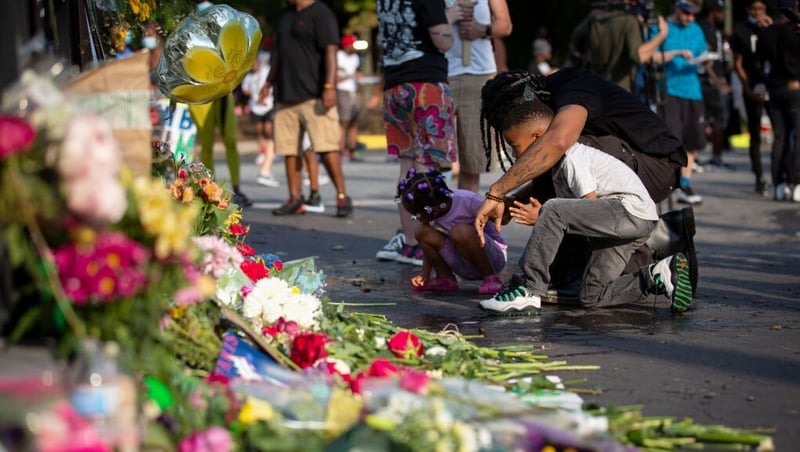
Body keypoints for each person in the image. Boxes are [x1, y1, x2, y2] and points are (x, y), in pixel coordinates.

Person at [475, 72, 692, 314]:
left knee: (555, 157)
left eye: (515, 145)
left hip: (654, 170)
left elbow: (559, 143)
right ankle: (659, 274)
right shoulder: (547, 113)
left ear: (531, 99)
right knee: (591, 295)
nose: (514, 154)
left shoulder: (575, 88)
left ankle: (529, 288)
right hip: (624, 210)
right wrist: (514, 200)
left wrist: (497, 192)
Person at [374, 0, 460, 265]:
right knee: (426, 165)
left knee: (406, 166)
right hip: (426, 84)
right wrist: (450, 18)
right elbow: (443, 41)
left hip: (394, 86)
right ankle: (425, 242)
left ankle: (410, 243)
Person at [268, 0, 353, 217]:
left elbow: (330, 52)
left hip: (315, 94)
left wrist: (329, 86)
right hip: (286, 94)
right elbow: (278, 52)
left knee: (326, 147)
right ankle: (295, 198)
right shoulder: (285, 16)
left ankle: (342, 196)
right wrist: (268, 82)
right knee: (288, 149)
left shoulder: (322, 13)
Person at [397, 168, 506, 294]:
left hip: (492, 259)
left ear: (433, 209)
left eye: (417, 214)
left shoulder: (469, 201)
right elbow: (427, 248)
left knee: (459, 231)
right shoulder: (433, 213)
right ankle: (445, 279)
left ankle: (492, 278)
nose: (417, 218)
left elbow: (496, 228)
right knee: (422, 231)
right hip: (463, 263)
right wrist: (425, 274)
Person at [445, 0, 512, 193]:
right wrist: (448, 16)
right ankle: (431, 218)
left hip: (480, 74)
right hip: (441, 73)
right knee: (435, 159)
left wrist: (481, 29)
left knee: (473, 161)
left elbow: (505, 25)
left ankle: (465, 218)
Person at [657, 0, 708, 205]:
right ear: (677, 8)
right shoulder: (663, 27)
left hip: (693, 91)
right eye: (687, 13)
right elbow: (649, 56)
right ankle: (672, 183)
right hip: (669, 90)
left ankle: (684, 182)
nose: (690, 18)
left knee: (693, 141)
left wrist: (708, 61)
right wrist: (676, 53)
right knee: (674, 140)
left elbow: (703, 55)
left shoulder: (696, 28)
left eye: (694, 15)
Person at [757, 1, 800, 202]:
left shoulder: (767, 33)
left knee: (780, 137)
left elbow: (759, 62)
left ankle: (778, 183)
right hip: (794, 86)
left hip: (774, 89)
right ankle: (796, 181)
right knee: (797, 138)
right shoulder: (795, 32)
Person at [730, 0, 772, 195]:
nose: (757, 12)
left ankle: (782, 175)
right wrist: (746, 87)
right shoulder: (741, 30)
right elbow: (738, 63)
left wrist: (770, 29)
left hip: (773, 84)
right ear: (748, 10)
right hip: (752, 84)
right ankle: (759, 176)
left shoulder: (773, 28)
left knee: (780, 132)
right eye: (754, 9)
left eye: (761, 9)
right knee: (755, 132)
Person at [586, 0, 669, 93]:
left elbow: (582, 51)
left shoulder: (597, 19)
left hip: (596, 85)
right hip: (620, 89)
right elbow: (639, 56)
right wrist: (662, 34)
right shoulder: (629, 21)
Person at [696, 0, 734, 171]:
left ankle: (707, 156)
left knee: (708, 118)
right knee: (717, 118)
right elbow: (705, 59)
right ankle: (715, 158)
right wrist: (718, 80)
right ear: (713, 11)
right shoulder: (704, 29)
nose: (723, 14)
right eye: (721, 11)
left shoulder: (712, 28)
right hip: (709, 80)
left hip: (713, 78)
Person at [241, 52, 279, 188]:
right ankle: (265, 166)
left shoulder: (266, 71)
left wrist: (265, 91)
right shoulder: (249, 76)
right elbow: (245, 90)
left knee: (269, 131)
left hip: (268, 105)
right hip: (256, 106)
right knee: (260, 131)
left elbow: (271, 78)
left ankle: (266, 167)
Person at [336, 34, 365, 162]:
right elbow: (336, 77)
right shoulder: (338, 56)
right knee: (343, 122)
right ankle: (340, 150)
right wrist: (350, 75)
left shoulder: (355, 57)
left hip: (354, 91)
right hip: (342, 90)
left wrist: (358, 77)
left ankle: (352, 148)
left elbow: (355, 73)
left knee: (354, 122)